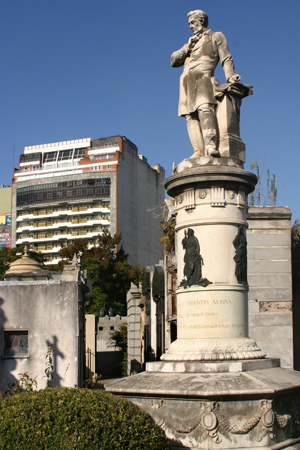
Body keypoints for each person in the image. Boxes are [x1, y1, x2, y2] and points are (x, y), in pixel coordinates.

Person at [171, 10, 241, 158]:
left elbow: (226, 58)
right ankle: (198, 151)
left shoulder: (216, 36)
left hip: (203, 78)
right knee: (190, 117)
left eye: (192, 22)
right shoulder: (189, 44)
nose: (190, 26)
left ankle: (210, 145)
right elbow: (173, 61)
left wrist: (231, 76)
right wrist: (186, 48)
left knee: (204, 109)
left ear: (201, 20)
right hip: (185, 83)